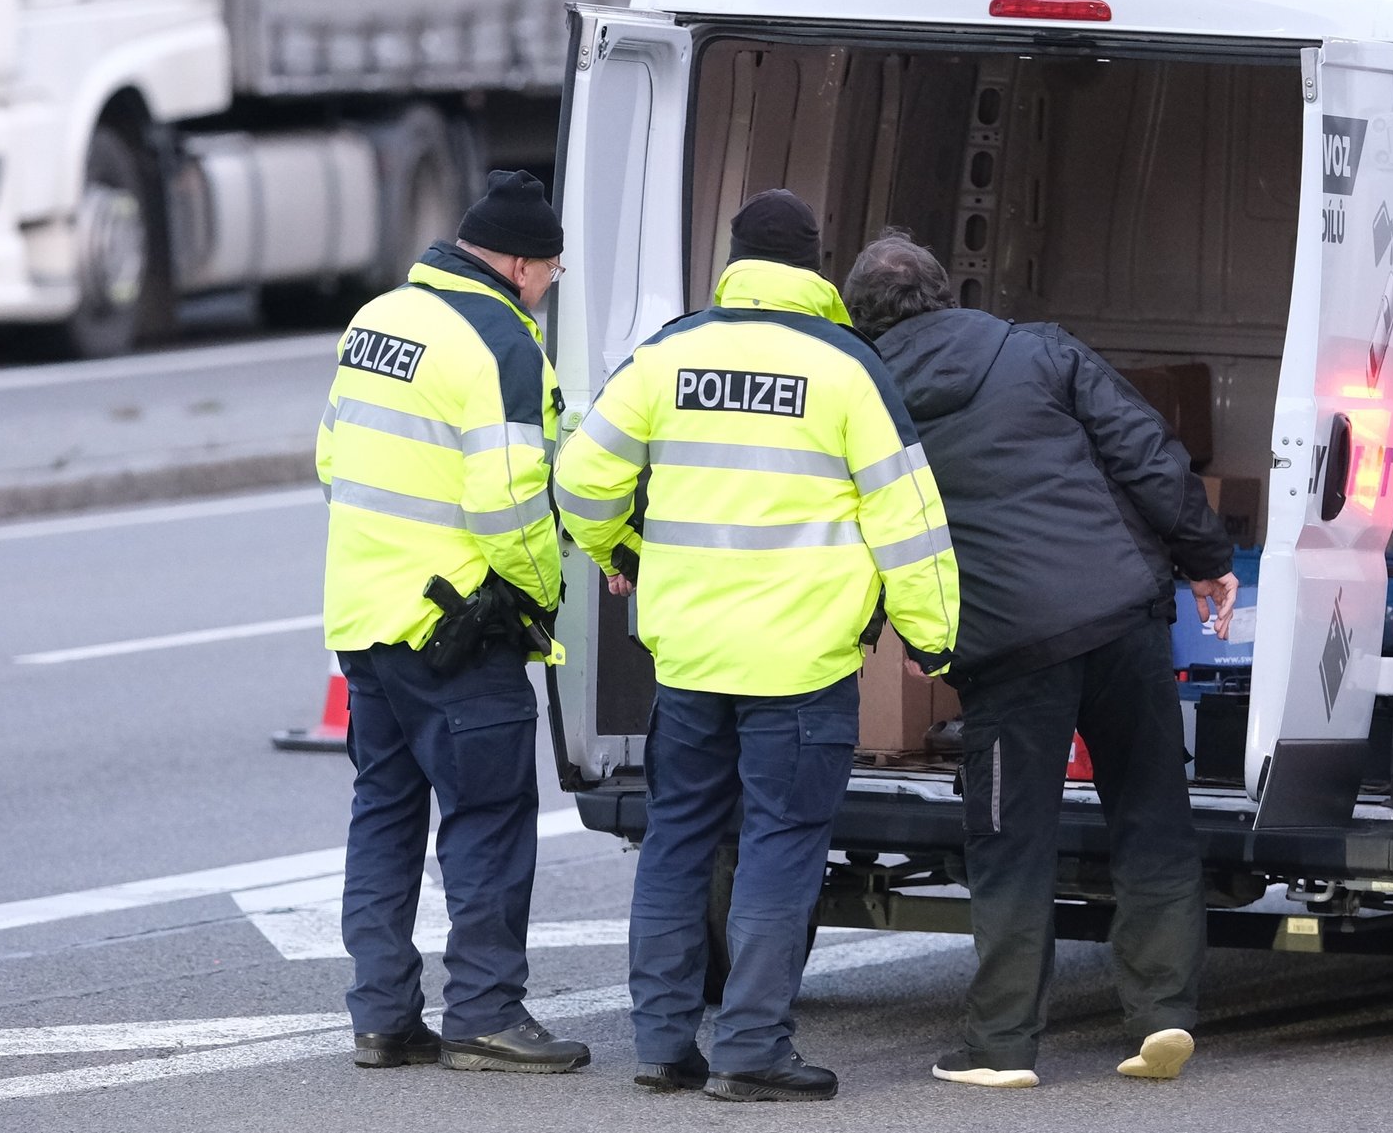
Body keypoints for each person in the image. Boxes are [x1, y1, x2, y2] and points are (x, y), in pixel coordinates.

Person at [556, 190, 960, 1102]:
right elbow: (910, 519)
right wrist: (936, 644)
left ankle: (663, 1043)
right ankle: (749, 1049)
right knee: (780, 849)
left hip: (690, 659)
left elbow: (580, 475)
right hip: (802, 668)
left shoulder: (669, 353)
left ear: (733, 260)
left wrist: (621, 547)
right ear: (817, 267)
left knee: (676, 844)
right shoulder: (847, 367)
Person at [841, 230, 1238, 1089]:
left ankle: (1003, 1044)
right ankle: (1162, 1012)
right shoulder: (1037, 348)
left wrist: (911, 634)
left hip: (1005, 643)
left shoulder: (865, 399)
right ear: (947, 293)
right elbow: (1145, 451)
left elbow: (867, 534)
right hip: (1119, 613)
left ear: (860, 319)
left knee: (1010, 838)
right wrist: (1206, 557)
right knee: (1150, 811)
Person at [316, 169, 589, 1074]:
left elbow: (330, 458)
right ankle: (483, 1012)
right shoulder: (500, 343)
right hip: (458, 632)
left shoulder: (379, 318)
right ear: (517, 263)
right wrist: (542, 600)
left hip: (365, 619)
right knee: (487, 819)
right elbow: (511, 502)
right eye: (551, 269)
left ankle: (383, 1016)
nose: (551, 285)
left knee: (384, 814)